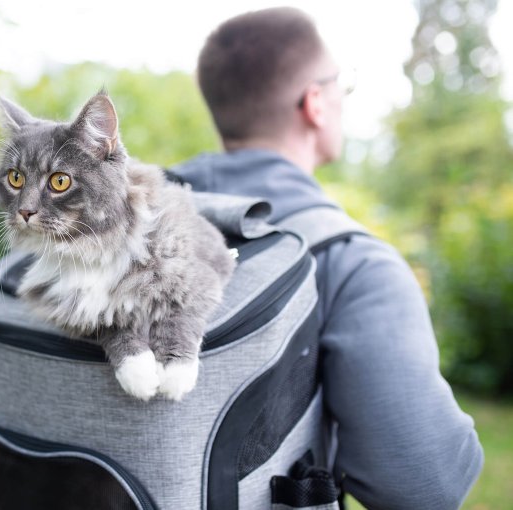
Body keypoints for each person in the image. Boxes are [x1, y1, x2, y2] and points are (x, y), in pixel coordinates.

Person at [171, 7, 484, 510]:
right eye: (342, 85)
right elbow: (426, 483)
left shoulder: (115, 222)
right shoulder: (354, 263)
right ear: (315, 102)